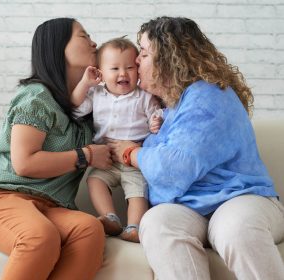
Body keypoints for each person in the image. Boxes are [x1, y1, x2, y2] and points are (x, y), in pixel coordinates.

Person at [108, 16, 284, 279]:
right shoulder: (170, 108)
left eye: (143, 53)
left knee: (235, 228)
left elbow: (172, 169)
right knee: (157, 222)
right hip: (190, 209)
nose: (135, 61)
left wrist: (131, 152)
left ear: (168, 58)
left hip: (238, 198)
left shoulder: (209, 95)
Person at [0, 18, 113, 280]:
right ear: (58, 47)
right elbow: (24, 163)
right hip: (3, 196)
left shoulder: (88, 105)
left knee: (89, 228)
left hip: (52, 206)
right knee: (39, 236)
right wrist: (87, 155)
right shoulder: (37, 97)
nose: (94, 42)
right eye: (84, 36)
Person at [71, 37, 162, 243]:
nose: (123, 73)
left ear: (138, 70)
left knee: (137, 191)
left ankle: (134, 227)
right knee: (95, 180)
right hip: (107, 159)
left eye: (130, 67)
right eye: (114, 69)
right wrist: (85, 83)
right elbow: (75, 107)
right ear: (100, 73)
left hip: (134, 160)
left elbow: (157, 116)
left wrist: (156, 122)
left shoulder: (144, 97)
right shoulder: (96, 94)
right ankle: (110, 217)